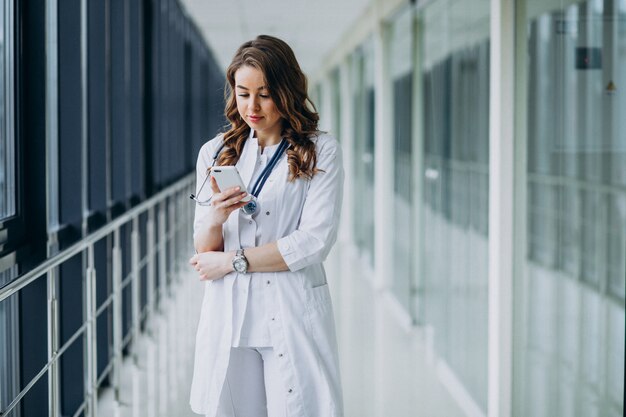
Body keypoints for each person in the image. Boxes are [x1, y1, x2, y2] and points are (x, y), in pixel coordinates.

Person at [188, 35, 344, 417]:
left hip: (288, 311)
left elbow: (313, 242)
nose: (251, 107)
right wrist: (217, 217)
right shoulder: (215, 151)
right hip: (232, 317)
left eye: (265, 94)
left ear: (287, 91)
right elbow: (204, 248)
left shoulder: (320, 150)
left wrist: (233, 261)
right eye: (243, 94)